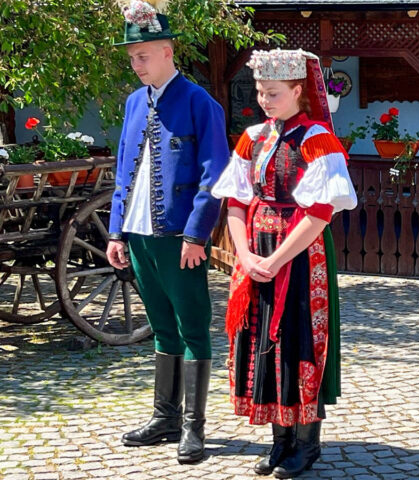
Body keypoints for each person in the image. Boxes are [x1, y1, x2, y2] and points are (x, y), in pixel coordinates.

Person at [211, 48, 356, 478]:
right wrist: (245, 255)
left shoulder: (316, 139)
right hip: (256, 250)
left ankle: (306, 443)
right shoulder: (253, 136)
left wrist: (275, 259)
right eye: (260, 92)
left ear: (297, 90)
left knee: (297, 338)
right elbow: (236, 201)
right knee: (261, 339)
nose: (264, 100)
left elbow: (320, 213)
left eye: (273, 92)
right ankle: (280, 439)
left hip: (300, 254)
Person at [106, 0, 229, 464]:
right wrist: (117, 233)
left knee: (192, 326)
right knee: (160, 326)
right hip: (139, 236)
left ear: (167, 52)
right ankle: (165, 417)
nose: (135, 64)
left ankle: (194, 427)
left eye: (142, 55)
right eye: (131, 57)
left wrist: (196, 235)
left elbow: (215, 174)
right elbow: (123, 173)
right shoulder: (134, 103)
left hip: (179, 239)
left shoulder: (200, 103)